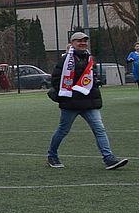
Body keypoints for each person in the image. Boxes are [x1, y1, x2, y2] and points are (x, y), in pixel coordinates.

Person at [47, 31, 129, 170]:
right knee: (63, 130)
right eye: (79, 41)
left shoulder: (90, 59)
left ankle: (109, 158)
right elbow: (56, 80)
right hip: (71, 103)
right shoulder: (65, 60)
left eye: (84, 41)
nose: (82, 43)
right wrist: (69, 94)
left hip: (89, 102)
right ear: (72, 43)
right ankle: (52, 155)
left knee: (99, 129)